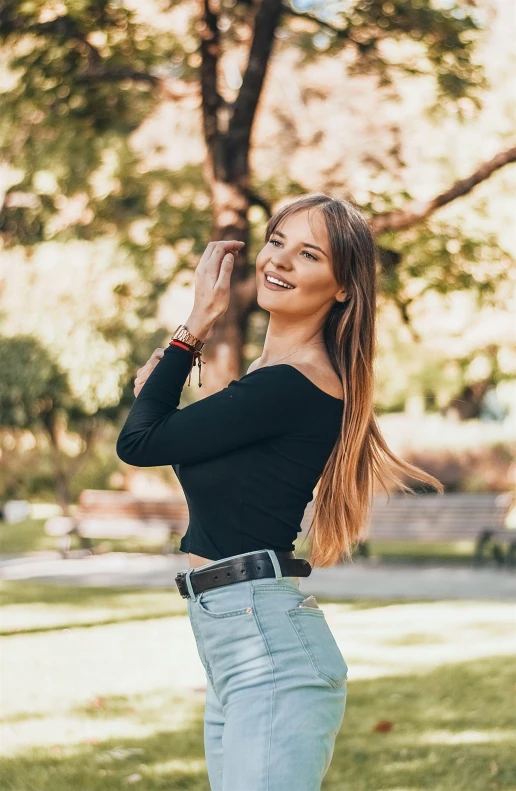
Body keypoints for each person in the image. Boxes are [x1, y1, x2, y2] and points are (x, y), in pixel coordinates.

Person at [116, 192, 443, 790]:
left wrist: (198, 322)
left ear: (343, 287)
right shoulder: (271, 382)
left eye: (309, 254)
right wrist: (165, 398)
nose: (282, 261)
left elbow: (138, 443)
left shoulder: (293, 384)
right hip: (236, 642)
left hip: (264, 647)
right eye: (277, 242)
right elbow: (194, 469)